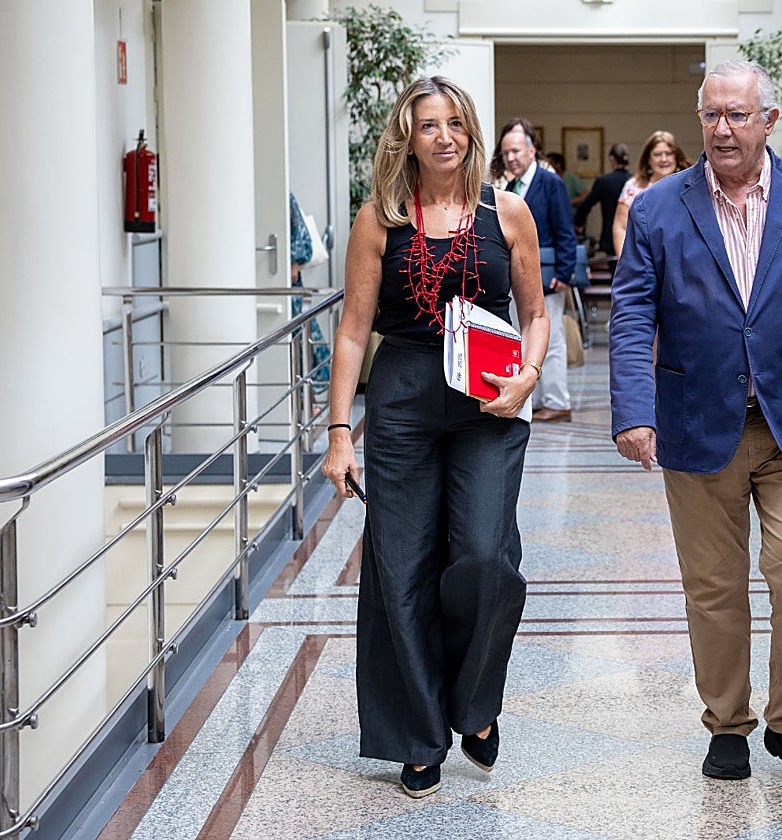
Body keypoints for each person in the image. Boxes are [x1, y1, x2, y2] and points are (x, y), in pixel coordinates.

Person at [608, 60, 782, 788]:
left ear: (769, 120)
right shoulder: (662, 208)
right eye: (711, 116)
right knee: (713, 584)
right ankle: (727, 723)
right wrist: (633, 411)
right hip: (698, 422)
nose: (722, 129)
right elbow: (631, 316)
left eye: (736, 114)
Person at [320, 76, 549, 800]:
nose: (443, 135)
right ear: (407, 137)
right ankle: (420, 734)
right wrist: (337, 434)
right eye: (428, 125)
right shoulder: (377, 220)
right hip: (406, 395)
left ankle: (473, 703)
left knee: (486, 556)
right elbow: (354, 331)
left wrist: (530, 375)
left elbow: (537, 312)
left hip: (490, 397)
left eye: (454, 123)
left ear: (470, 132)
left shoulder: (508, 213)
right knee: (401, 567)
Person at [495, 118, 577, 422]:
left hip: (548, 275)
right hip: (516, 276)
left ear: (532, 151)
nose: (511, 158)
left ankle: (557, 400)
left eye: (516, 151)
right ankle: (535, 397)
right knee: (523, 336)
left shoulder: (549, 183)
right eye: (506, 154)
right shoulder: (510, 186)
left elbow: (565, 229)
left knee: (551, 338)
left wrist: (565, 273)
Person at [611, 130, 691, 256]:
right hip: (644, 262)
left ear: (676, 157)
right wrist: (626, 265)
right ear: (648, 159)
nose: (664, 159)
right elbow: (621, 227)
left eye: (669, 154)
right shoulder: (633, 187)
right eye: (658, 154)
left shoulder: (690, 186)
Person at [288, 192, 331, 386]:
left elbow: (302, 236)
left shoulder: (284, 196)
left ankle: (307, 396)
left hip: (290, 282)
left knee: (303, 337)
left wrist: (294, 262)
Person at [573, 143, 632, 256]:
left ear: (612, 159)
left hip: (609, 237)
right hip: (631, 237)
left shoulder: (604, 181)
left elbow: (587, 205)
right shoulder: (634, 181)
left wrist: (579, 222)